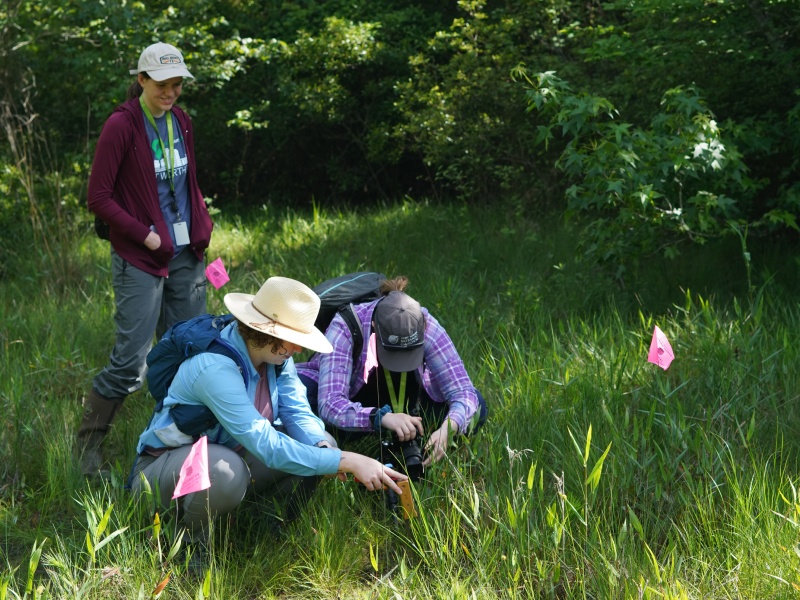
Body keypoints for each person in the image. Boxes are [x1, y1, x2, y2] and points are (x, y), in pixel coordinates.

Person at [130, 276, 406, 545]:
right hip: (158, 475)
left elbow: (298, 412)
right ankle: (189, 542)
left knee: (324, 446)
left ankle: (264, 528)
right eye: (292, 339)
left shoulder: (274, 357)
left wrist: (325, 449)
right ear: (264, 330)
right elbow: (266, 443)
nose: (298, 348)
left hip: (230, 453)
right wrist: (345, 461)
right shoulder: (215, 369)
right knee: (227, 472)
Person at [79, 42, 214, 476]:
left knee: (191, 353)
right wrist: (145, 236)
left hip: (186, 255)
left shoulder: (182, 121)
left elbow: (187, 184)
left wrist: (202, 226)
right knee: (132, 363)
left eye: (177, 84)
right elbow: (97, 197)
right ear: (141, 80)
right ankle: (86, 452)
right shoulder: (122, 125)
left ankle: (171, 446)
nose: (171, 92)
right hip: (140, 256)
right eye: (162, 84)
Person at [296, 276, 488, 468]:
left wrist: (449, 428)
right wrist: (379, 418)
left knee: (477, 407)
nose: (401, 361)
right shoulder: (345, 326)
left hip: (409, 399)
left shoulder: (425, 323)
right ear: (374, 330)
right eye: (393, 354)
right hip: (356, 396)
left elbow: (464, 392)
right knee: (301, 403)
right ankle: (351, 437)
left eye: (409, 354)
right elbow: (330, 403)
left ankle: (423, 439)